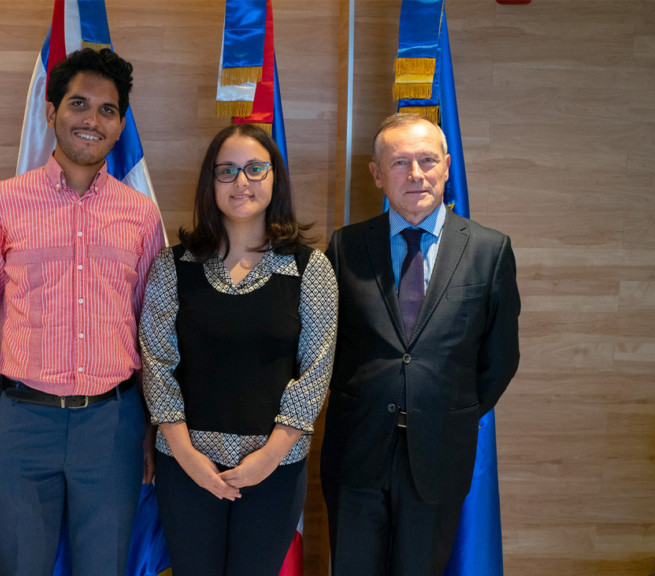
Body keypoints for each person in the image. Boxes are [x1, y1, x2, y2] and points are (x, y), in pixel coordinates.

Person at [0, 48, 164, 576]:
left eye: (107, 110)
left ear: (120, 125)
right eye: (79, 104)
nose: (92, 119)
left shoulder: (141, 215)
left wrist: (147, 429)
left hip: (114, 425)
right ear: (51, 111)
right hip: (22, 421)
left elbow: (152, 333)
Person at [320, 113, 521, 576]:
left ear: (447, 167)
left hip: (439, 452)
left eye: (428, 160)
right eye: (400, 162)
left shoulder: (489, 250)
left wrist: (448, 409)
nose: (416, 174)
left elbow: (500, 358)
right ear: (376, 174)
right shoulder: (346, 246)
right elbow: (326, 347)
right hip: (356, 449)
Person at [139, 123, 338, 576]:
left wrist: (267, 457)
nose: (241, 181)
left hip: (275, 467)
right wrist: (188, 456)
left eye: (254, 169)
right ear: (210, 182)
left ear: (274, 178)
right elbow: (157, 365)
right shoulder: (173, 266)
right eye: (226, 170)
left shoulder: (310, 269)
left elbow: (315, 373)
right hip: (186, 466)